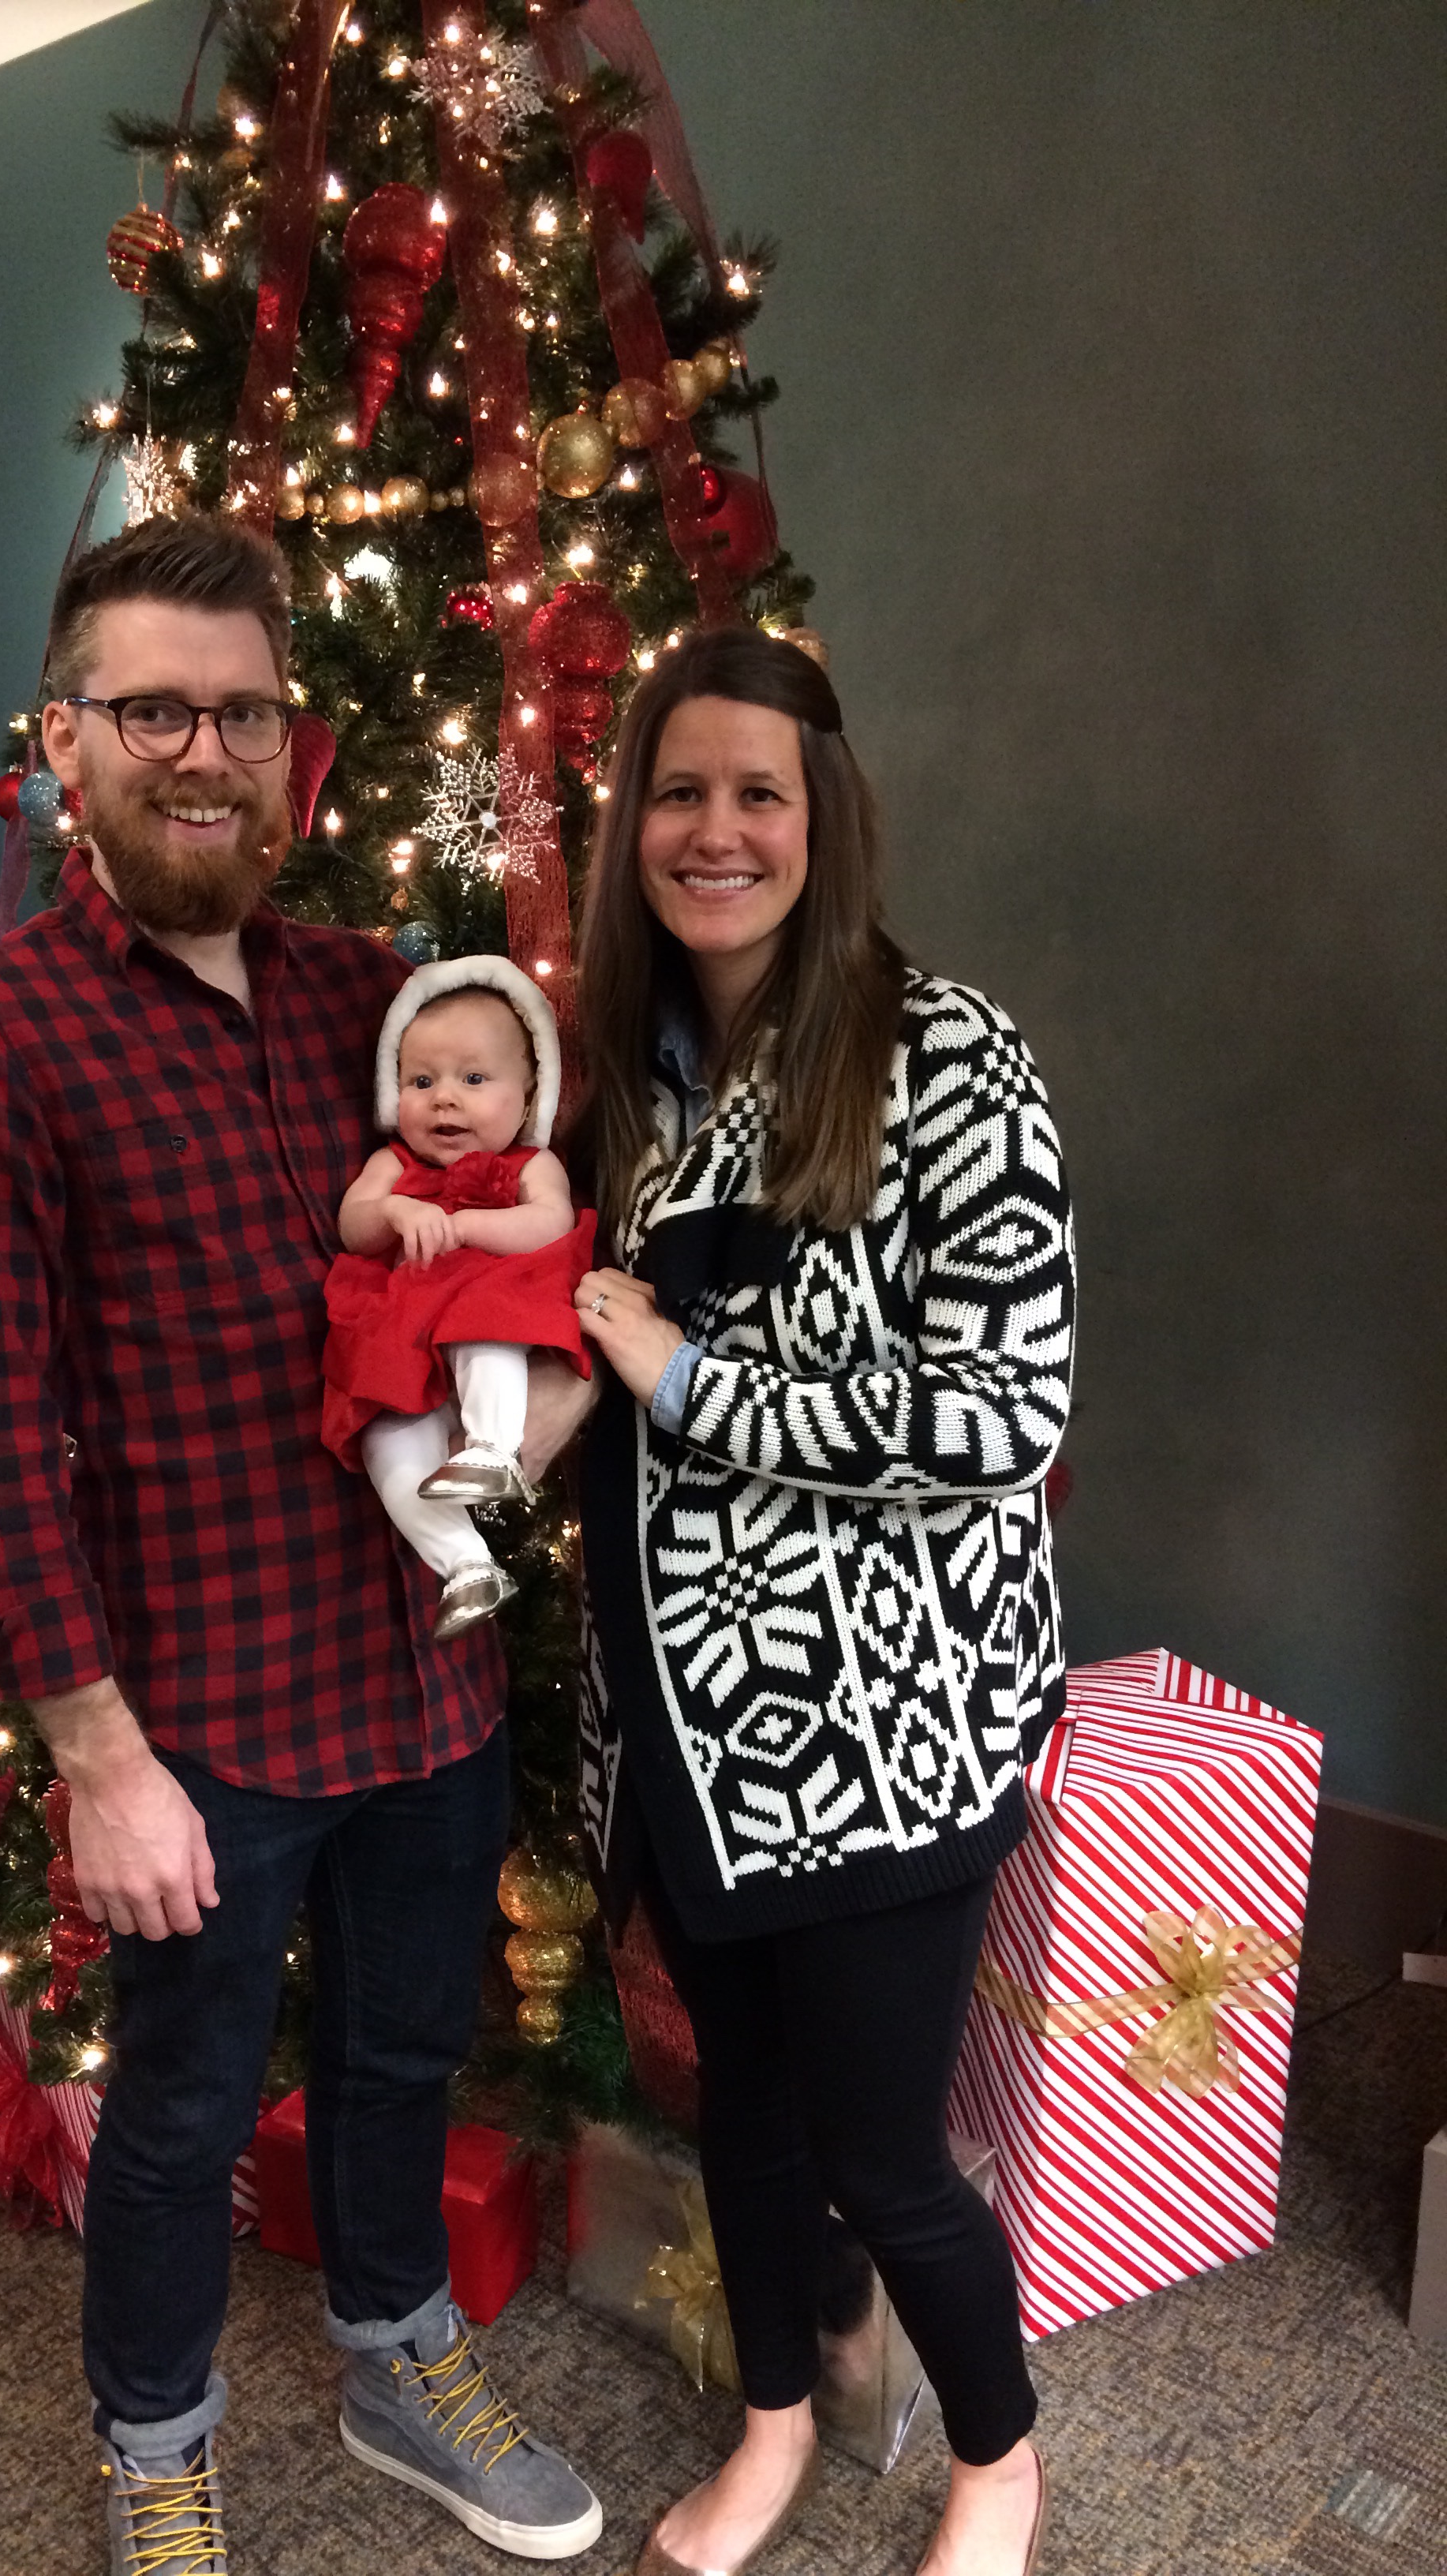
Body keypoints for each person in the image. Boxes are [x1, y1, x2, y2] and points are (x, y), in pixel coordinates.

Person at [0, 511, 602, 2576]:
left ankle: (395, 2352)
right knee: (184, 2117)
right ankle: (158, 2445)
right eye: (155, 711)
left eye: (246, 714)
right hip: (204, 1728)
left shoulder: (376, 1000)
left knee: (402, 2050)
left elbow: (512, 1254)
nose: (206, 753)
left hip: (427, 1686)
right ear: (64, 741)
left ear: (296, 746)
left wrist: (551, 1401)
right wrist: (100, 1762)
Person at [568, 626, 1071, 2576]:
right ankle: (773, 2419)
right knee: (744, 2120)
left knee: (876, 2150)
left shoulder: (946, 1055)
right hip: (680, 1736)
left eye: (756, 793)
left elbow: (1002, 1408)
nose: (715, 831)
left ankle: (997, 2463)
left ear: (822, 816)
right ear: (632, 825)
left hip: (883, 1730)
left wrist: (698, 1384)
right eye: (677, 792)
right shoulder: (623, 1079)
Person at [323, 957, 596, 1639]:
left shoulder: (531, 1164)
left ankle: (494, 1446)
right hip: (403, 1338)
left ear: (528, 1098)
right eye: (422, 1081)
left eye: (473, 1079)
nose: (444, 1099)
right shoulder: (394, 1165)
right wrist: (394, 1211)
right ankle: (465, 1565)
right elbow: (352, 1226)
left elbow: (552, 1223)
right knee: (386, 1443)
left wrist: (466, 1228)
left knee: (483, 1324)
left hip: (482, 1310)